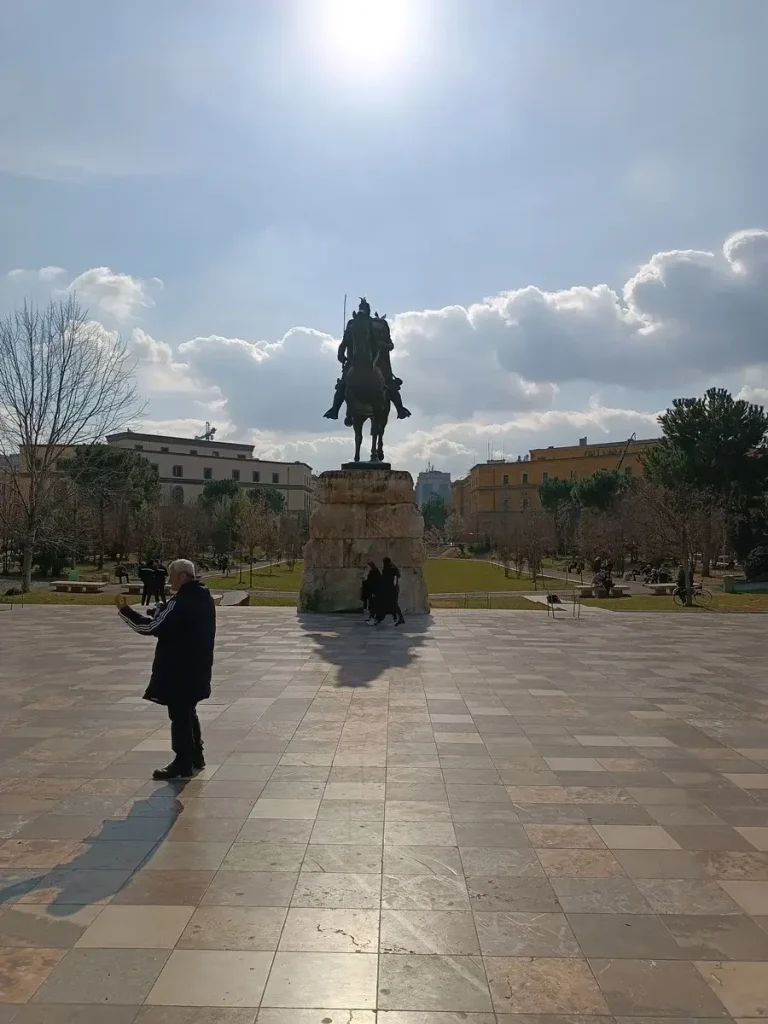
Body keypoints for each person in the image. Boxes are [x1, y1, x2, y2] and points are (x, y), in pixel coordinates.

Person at [117, 559, 216, 780]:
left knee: (179, 715)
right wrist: (160, 610)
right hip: (197, 667)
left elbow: (150, 628)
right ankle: (196, 756)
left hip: (179, 670)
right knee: (188, 711)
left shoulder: (181, 601)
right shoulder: (203, 597)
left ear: (182, 577)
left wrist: (126, 612)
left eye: (171, 575)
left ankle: (182, 762)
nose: (169, 580)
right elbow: (173, 619)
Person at [377, 556, 405, 625]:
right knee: (392, 604)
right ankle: (396, 618)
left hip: (391, 590)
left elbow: (394, 579)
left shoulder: (389, 569)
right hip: (390, 589)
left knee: (393, 604)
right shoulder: (390, 569)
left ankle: (398, 618)